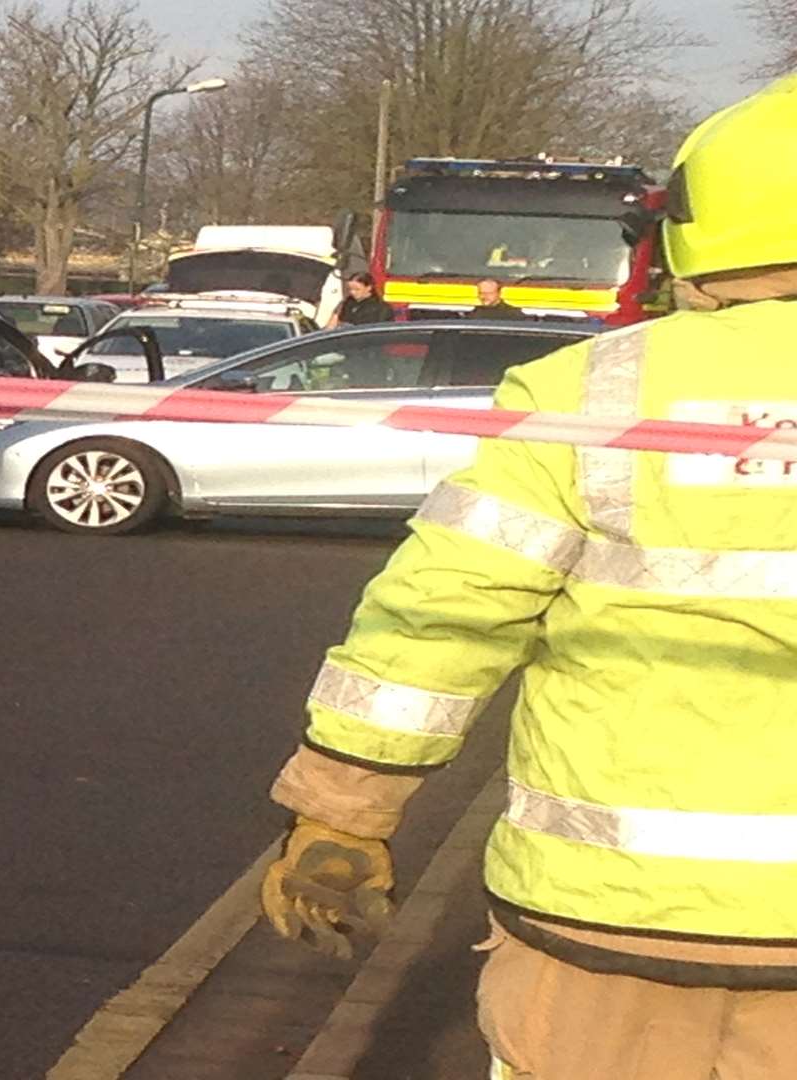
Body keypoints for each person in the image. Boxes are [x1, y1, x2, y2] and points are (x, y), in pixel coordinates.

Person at [260, 73, 797, 1079]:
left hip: (609, 925)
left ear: (690, 229)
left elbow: (440, 620)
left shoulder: (592, 392)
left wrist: (342, 812)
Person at [329, 272, 393, 326]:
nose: (352, 292)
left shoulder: (381, 308)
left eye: (357, 289)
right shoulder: (348, 303)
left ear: (369, 288)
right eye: (350, 289)